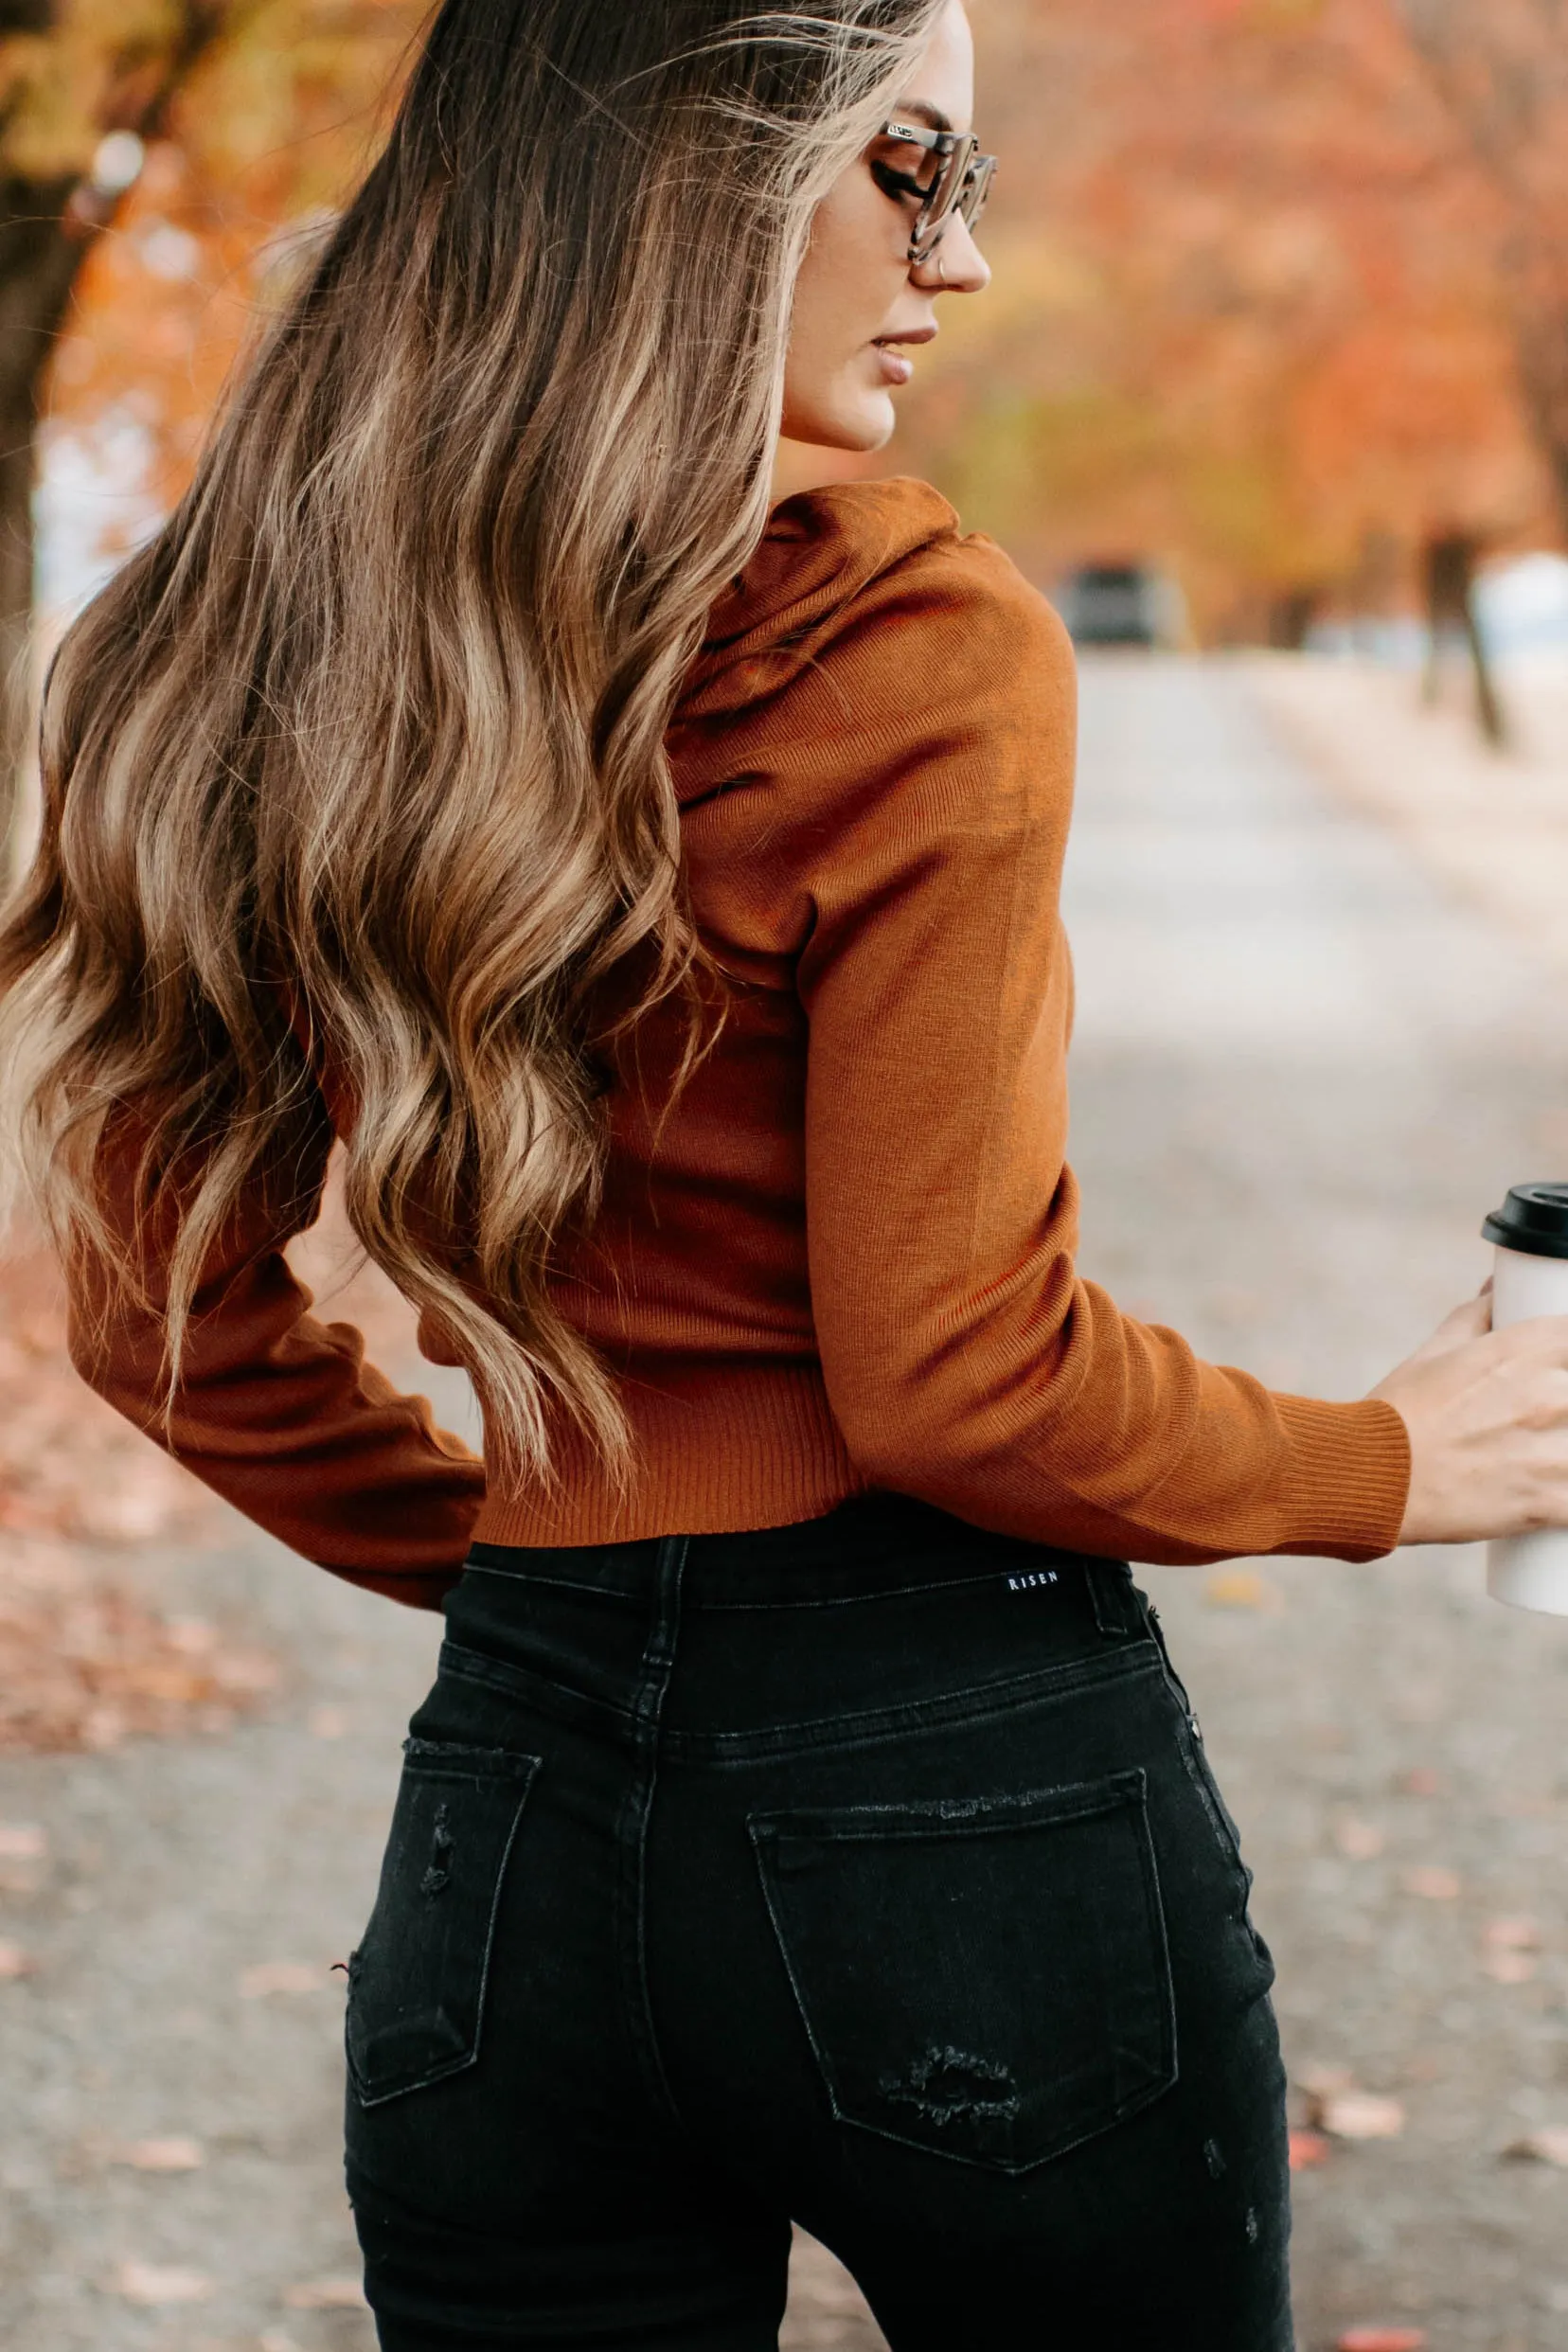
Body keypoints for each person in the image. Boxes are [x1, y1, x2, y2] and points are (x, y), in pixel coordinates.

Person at [4, 2, 1568, 2343]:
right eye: (911, 168)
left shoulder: (240, 633)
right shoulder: (909, 640)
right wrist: (1383, 1460)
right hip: (962, 1808)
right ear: (695, 176)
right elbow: (960, 1381)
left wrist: (558, 1579)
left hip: (510, 1837)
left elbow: (156, 1318)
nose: (961, 259)